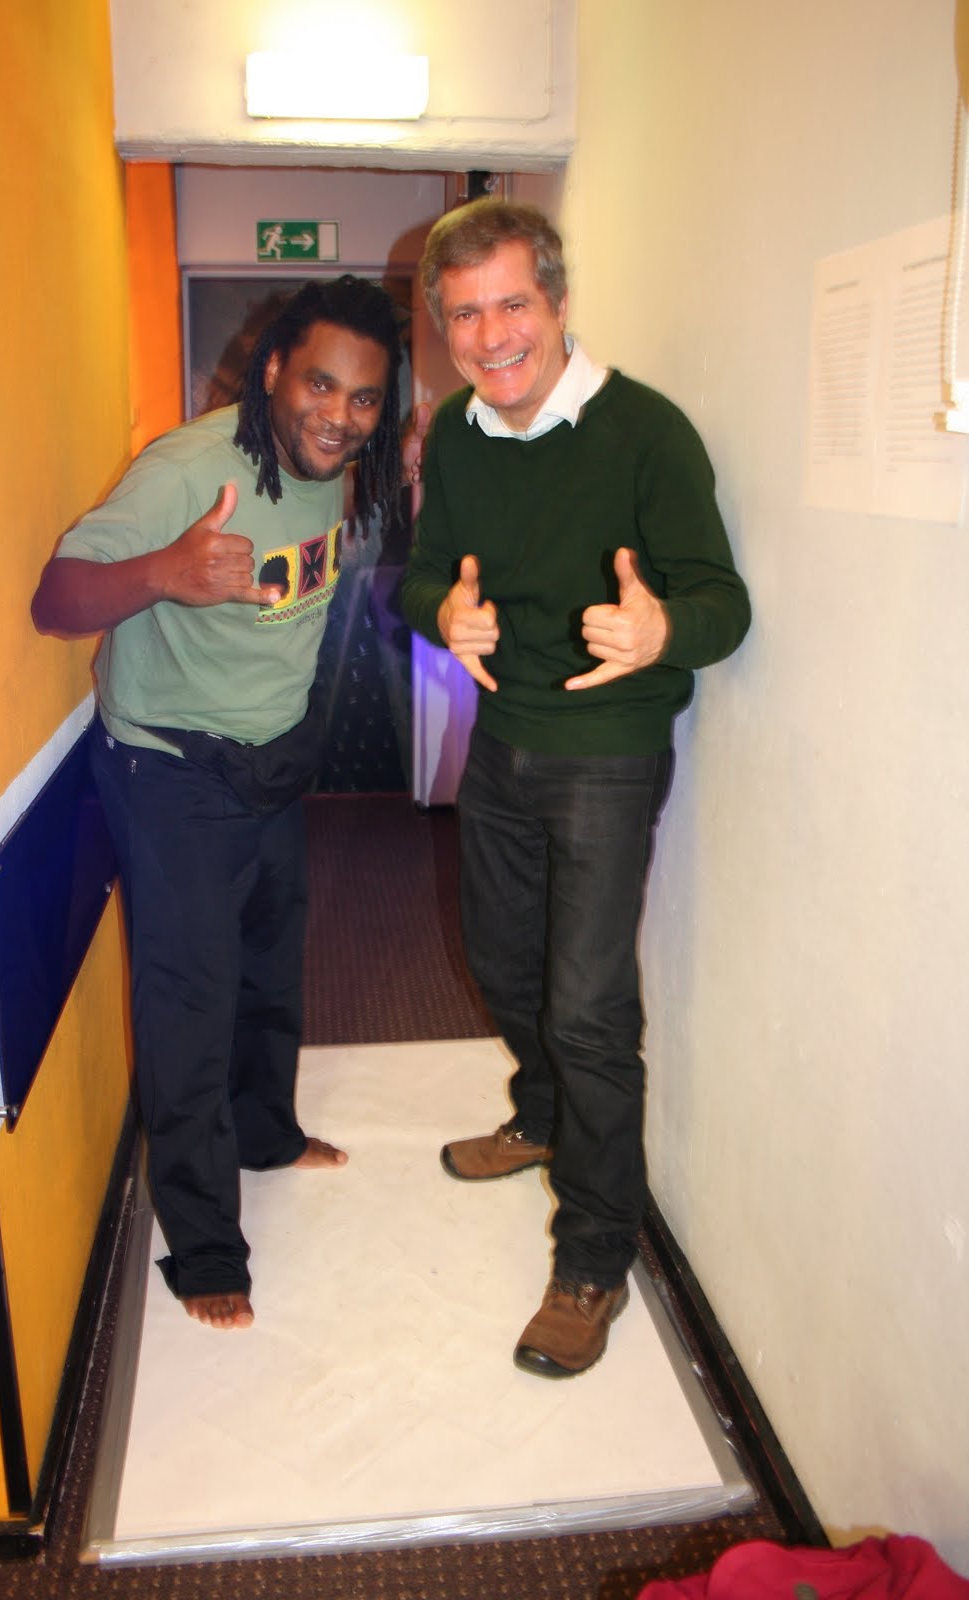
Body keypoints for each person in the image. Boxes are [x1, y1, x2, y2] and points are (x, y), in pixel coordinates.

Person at [400, 200, 750, 1379]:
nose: (489, 334)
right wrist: (442, 614)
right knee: (502, 964)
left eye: (511, 303)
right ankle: (540, 1116)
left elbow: (720, 601)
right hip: (502, 737)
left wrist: (660, 631)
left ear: (555, 302)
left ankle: (595, 1253)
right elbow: (421, 574)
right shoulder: (455, 433)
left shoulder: (646, 431)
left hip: (606, 749)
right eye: (463, 313)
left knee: (587, 1007)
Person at [32, 276, 403, 1330]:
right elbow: (56, 599)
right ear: (273, 368)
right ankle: (202, 1250)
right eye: (319, 384)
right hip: (173, 770)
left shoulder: (341, 468)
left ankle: (267, 1135)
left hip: (269, 760)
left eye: (363, 398)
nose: (338, 416)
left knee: (271, 966)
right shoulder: (190, 469)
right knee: (189, 1006)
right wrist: (165, 571)